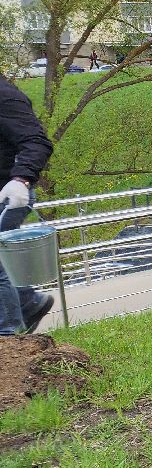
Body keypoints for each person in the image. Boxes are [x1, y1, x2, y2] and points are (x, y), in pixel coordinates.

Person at [0, 73, 55, 336]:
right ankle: (28, 303)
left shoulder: (6, 97)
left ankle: (7, 334)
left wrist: (21, 178)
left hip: (9, 194)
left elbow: (37, 141)